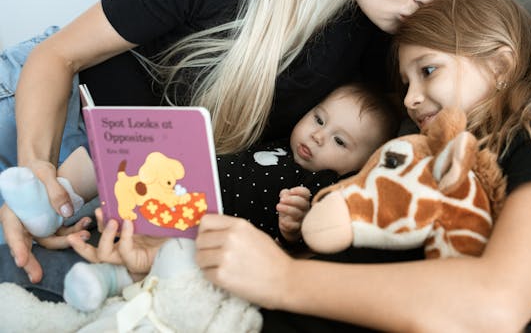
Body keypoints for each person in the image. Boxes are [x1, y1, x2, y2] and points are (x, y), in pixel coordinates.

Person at [0, 0, 476, 293]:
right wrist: (37, 170)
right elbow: (56, 57)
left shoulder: (385, 29)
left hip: (144, 172)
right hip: (51, 103)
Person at [183, 0, 531, 331]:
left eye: (427, 71)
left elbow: (497, 304)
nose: (410, 100)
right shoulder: (415, 156)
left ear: (499, 66)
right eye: (406, 82)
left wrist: (283, 277)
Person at [1, 82, 400, 311]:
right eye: (319, 118)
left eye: (339, 140)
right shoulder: (277, 139)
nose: (317, 135)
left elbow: (306, 243)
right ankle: (53, 202)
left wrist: (296, 225)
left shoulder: (322, 188)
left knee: (168, 256)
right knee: (112, 156)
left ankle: (102, 280)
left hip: (199, 236)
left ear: (356, 167)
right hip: (175, 194)